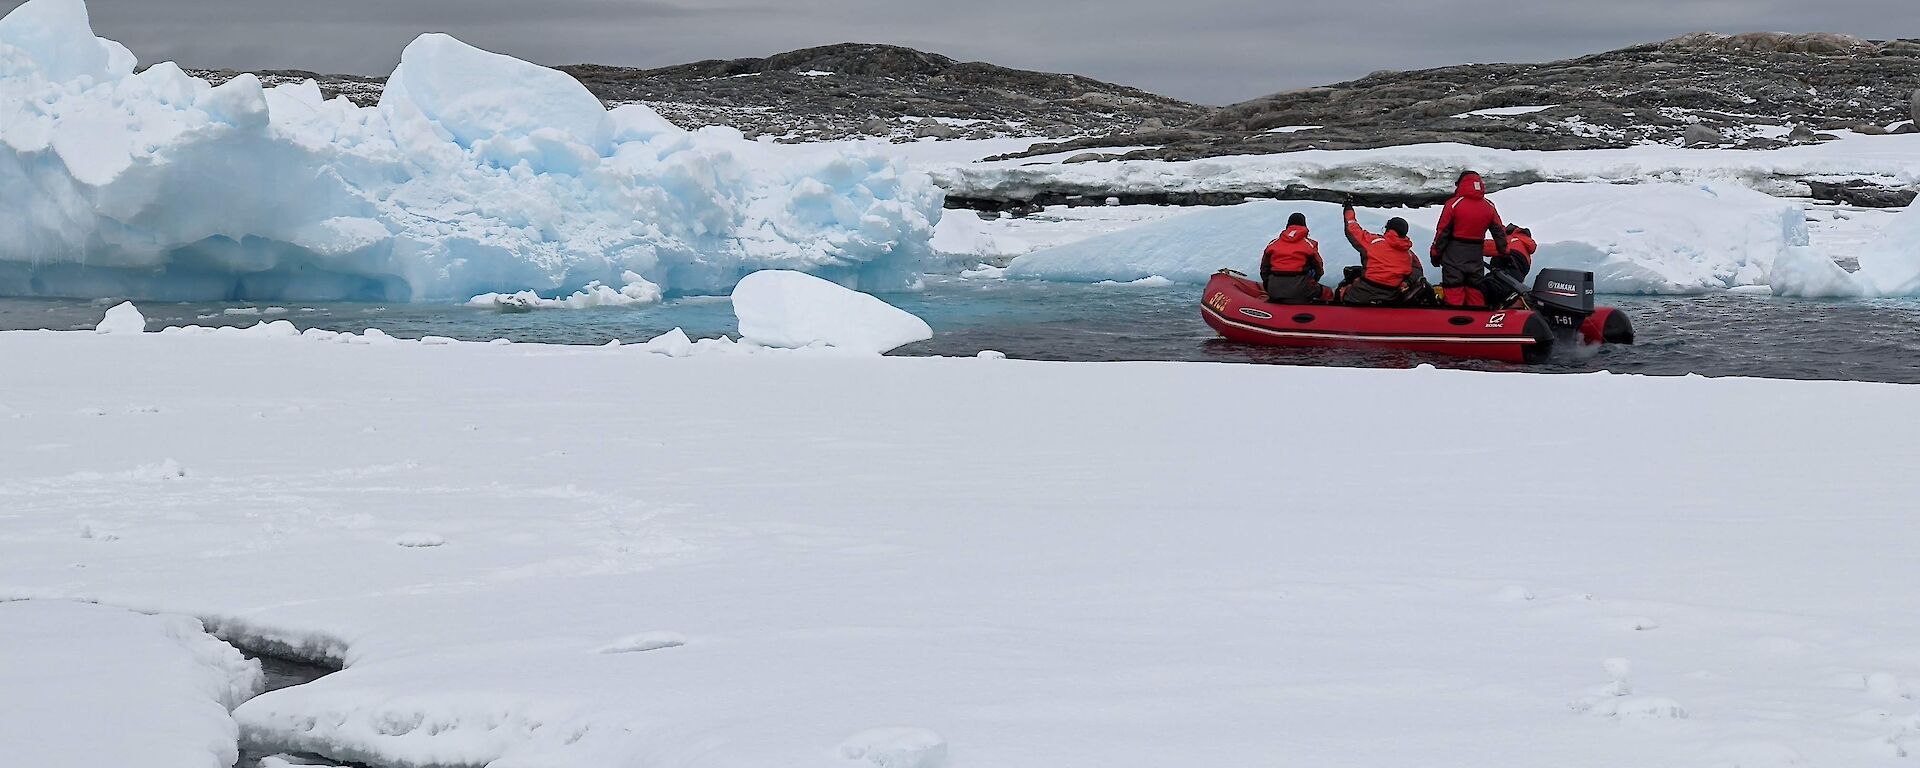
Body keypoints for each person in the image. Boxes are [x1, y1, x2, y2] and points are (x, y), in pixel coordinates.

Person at [1430, 170, 1508, 307]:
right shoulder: (1488, 206)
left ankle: (1453, 323)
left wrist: (1435, 254)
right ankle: (1477, 322)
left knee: (1454, 290)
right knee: (1475, 291)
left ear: (1460, 184)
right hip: (1475, 257)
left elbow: (1442, 233)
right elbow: (1499, 231)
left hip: (1454, 255)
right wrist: (1503, 250)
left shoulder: (1454, 204)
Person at [1337, 201, 1426, 306]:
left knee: (1340, 292)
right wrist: (1407, 283)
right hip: (1390, 296)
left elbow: (1352, 229)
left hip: (1363, 292)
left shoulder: (1374, 242)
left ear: (1388, 228)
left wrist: (1348, 208)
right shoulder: (1408, 253)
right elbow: (1417, 270)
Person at [1260, 212, 1332, 304]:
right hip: (1300, 289)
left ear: (1287, 226)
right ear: (1304, 225)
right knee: (1328, 292)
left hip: (1274, 289)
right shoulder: (1309, 244)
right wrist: (1313, 281)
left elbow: (1264, 269)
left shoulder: (1273, 243)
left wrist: (1269, 284)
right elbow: (1319, 268)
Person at [1480, 223, 1536, 308]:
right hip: (1514, 281)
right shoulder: (1524, 247)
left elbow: (1488, 247)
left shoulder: (1514, 239)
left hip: (1504, 276)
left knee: (1479, 290)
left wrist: (1464, 245)